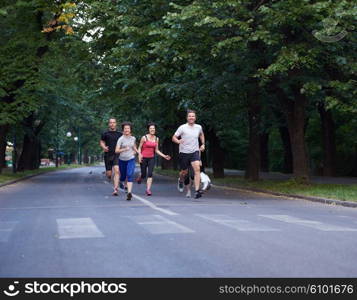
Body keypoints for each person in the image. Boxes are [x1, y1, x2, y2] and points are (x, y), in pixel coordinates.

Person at [172, 110, 205, 199]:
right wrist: (178, 141)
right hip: (184, 152)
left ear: (195, 118)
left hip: (194, 152)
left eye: (193, 116)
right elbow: (174, 137)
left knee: (197, 169)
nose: (191, 117)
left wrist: (203, 144)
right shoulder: (182, 127)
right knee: (184, 172)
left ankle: (197, 191)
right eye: (189, 116)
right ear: (187, 118)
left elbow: (201, 135)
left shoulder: (198, 127)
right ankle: (180, 180)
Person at [137, 123, 171, 196]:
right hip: (143, 158)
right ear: (148, 129)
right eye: (151, 128)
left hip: (151, 158)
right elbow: (139, 147)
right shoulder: (144, 137)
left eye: (154, 128)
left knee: (150, 174)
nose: (152, 129)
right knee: (144, 174)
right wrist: (139, 155)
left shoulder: (156, 139)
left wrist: (164, 156)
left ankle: (148, 190)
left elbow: (156, 150)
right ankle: (140, 176)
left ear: (155, 130)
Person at [115, 122, 139, 201]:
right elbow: (116, 150)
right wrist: (124, 149)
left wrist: (138, 153)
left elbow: (134, 147)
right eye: (125, 128)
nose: (126, 130)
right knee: (122, 176)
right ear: (123, 130)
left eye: (128, 128)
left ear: (130, 130)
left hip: (131, 159)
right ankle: (121, 182)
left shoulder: (133, 138)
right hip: (122, 160)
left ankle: (129, 193)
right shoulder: (120, 139)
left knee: (129, 175)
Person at [99, 118, 122, 196]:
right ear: (109, 124)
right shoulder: (105, 133)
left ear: (116, 124)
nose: (112, 124)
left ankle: (115, 189)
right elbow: (101, 142)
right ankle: (113, 179)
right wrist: (104, 147)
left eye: (114, 122)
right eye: (111, 123)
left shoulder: (120, 134)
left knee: (116, 170)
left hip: (117, 154)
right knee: (109, 174)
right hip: (108, 155)